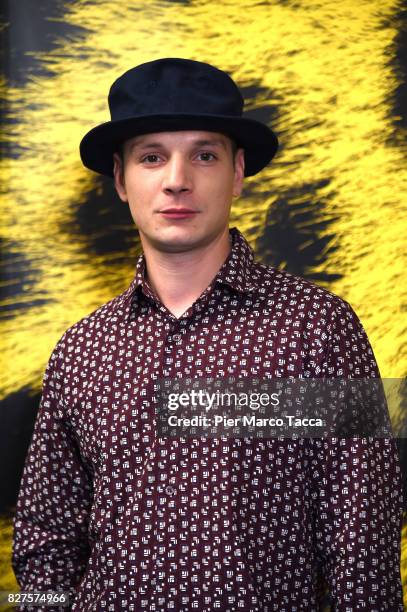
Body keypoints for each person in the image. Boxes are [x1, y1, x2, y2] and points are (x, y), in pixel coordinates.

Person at [12, 58, 404, 611]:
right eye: (152, 157)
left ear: (238, 173)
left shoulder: (319, 329)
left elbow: (363, 534)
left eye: (204, 154)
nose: (177, 179)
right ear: (122, 180)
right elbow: (44, 537)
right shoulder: (82, 349)